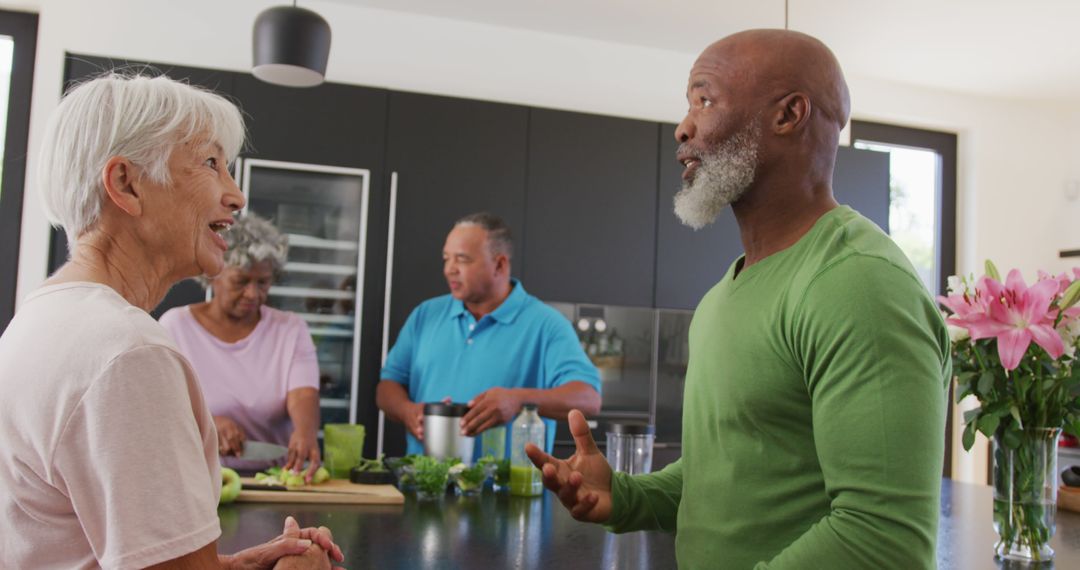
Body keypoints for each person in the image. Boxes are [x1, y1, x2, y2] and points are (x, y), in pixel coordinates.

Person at [527, 29, 950, 569]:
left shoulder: (858, 284)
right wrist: (628, 497)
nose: (683, 126)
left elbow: (882, 540)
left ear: (788, 114)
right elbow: (731, 468)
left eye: (705, 99)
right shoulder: (725, 294)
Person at [0, 73, 343, 569]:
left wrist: (232, 565)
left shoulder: (37, 320)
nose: (236, 196)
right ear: (126, 184)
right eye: (211, 164)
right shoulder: (128, 353)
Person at [376, 212, 602, 458]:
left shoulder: (546, 324)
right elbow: (387, 387)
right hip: (425, 484)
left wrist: (518, 400)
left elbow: (588, 399)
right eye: (446, 258)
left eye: (462, 259)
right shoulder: (425, 315)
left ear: (499, 264)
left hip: (509, 490)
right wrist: (407, 410)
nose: (449, 269)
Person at [160, 213, 323, 480]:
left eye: (263, 282)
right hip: (196, 479)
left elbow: (304, 395)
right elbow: (161, 408)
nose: (253, 294)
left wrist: (305, 432)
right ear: (213, 274)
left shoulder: (291, 329)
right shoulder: (175, 327)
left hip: (274, 477)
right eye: (241, 281)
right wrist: (208, 422)